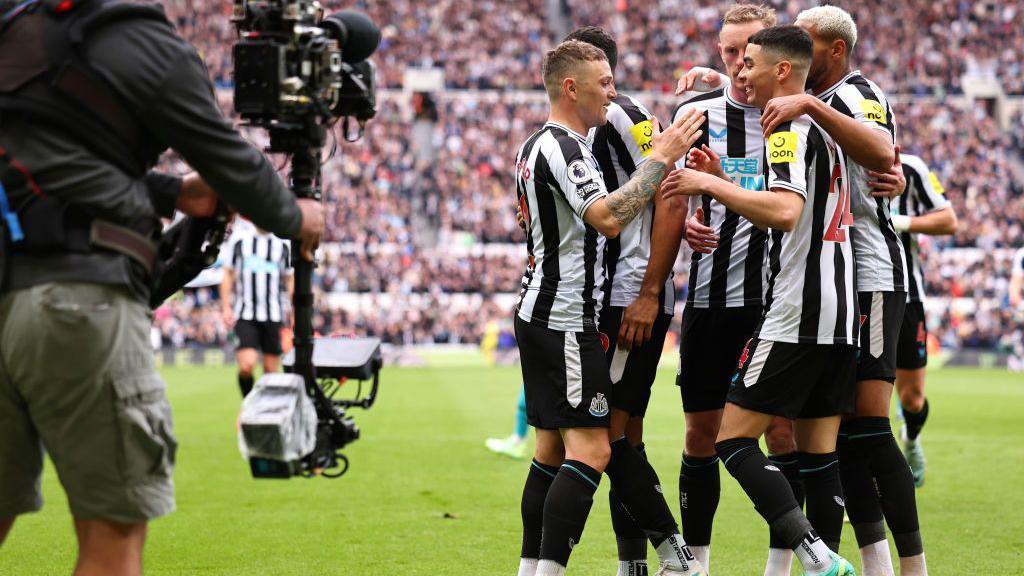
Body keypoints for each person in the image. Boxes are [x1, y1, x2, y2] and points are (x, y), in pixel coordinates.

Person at [0, 1, 324, 574]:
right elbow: (230, 162)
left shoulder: (16, 27)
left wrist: (173, 193)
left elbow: (44, 164)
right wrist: (298, 218)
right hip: (79, 298)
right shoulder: (140, 39)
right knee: (112, 537)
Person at [663, 24, 858, 576]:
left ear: (779, 71)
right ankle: (818, 559)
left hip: (795, 307)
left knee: (732, 440)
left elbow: (786, 212)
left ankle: (813, 553)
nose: (738, 71)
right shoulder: (824, 123)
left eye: (747, 62)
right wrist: (724, 177)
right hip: (840, 310)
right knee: (819, 455)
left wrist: (709, 187)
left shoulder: (785, 129)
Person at [512, 40, 705, 576]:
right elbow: (609, 216)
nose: (613, 92)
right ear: (571, 88)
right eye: (604, 82)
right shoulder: (568, 149)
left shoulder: (533, 146)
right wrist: (662, 158)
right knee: (598, 451)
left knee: (552, 451)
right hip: (567, 319)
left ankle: (536, 568)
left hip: (544, 310)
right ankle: (674, 557)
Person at [562, 26, 690, 576]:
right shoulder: (585, 127)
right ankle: (635, 564)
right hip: (605, 297)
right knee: (621, 435)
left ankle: (673, 556)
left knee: (610, 434)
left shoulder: (623, 116)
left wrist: (648, 292)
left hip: (628, 297)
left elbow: (671, 195)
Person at [889, 152, 957, 487]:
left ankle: (912, 440)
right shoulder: (833, 153)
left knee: (912, 399)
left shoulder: (912, 167)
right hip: (850, 294)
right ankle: (859, 488)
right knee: (855, 402)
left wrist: (901, 221)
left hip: (906, 296)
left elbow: (948, 220)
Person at [220, 224, 294, 398]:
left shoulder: (282, 245)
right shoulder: (240, 240)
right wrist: (225, 307)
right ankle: (248, 403)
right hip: (246, 314)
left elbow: (290, 280)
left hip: (273, 315)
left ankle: (266, 413)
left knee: (270, 370)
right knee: (247, 365)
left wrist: (295, 312)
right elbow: (228, 273)